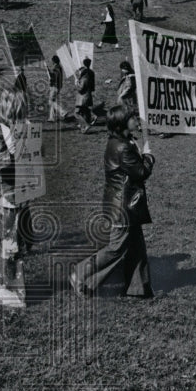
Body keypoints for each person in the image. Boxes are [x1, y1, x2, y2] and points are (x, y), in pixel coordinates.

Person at [70, 106, 154, 297]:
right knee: (116, 249)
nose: (136, 119)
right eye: (132, 117)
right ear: (122, 123)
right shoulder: (122, 146)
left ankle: (138, 289)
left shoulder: (122, 141)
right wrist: (148, 156)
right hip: (122, 207)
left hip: (126, 204)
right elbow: (141, 172)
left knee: (136, 247)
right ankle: (81, 273)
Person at [0, 88, 33, 308]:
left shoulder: (19, 128)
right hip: (4, 196)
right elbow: (1, 164)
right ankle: (5, 288)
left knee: (22, 241)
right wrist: (21, 146)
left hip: (21, 192)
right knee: (10, 243)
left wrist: (31, 139)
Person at [75, 57, 97, 132]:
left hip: (83, 97)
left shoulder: (84, 78)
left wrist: (77, 84)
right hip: (88, 95)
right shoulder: (91, 73)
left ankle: (86, 125)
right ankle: (84, 125)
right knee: (85, 111)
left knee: (76, 113)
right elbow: (92, 86)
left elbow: (81, 88)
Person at [47, 54, 66, 123]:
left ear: (54, 61)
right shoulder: (59, 67)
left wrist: (48, 71)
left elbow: (53, 77)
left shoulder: (56, 68)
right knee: (52, 101)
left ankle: (62, 112)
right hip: (57, 86)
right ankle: (52, 117)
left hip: (55, 86)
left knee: (51, 102)